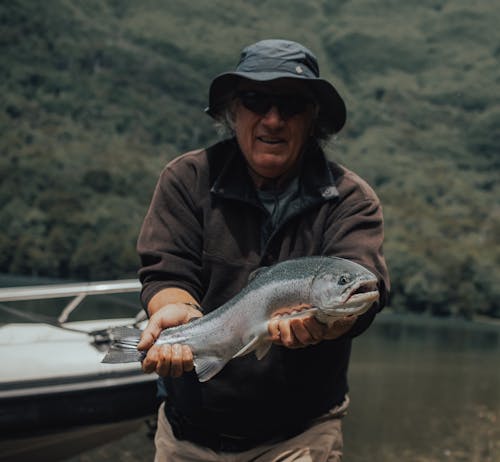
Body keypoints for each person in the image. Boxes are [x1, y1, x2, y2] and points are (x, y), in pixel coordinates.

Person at [136, 39, 390, 461]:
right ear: (232, 112)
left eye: (290, 105)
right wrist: (173, 309)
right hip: (186, 436)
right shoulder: (186, 179)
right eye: (256, 100)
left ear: (313, 119)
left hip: (298, 438)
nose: (273, 120)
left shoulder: (351, 200)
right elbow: (167, 272)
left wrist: (328, 325)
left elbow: (365, 282)